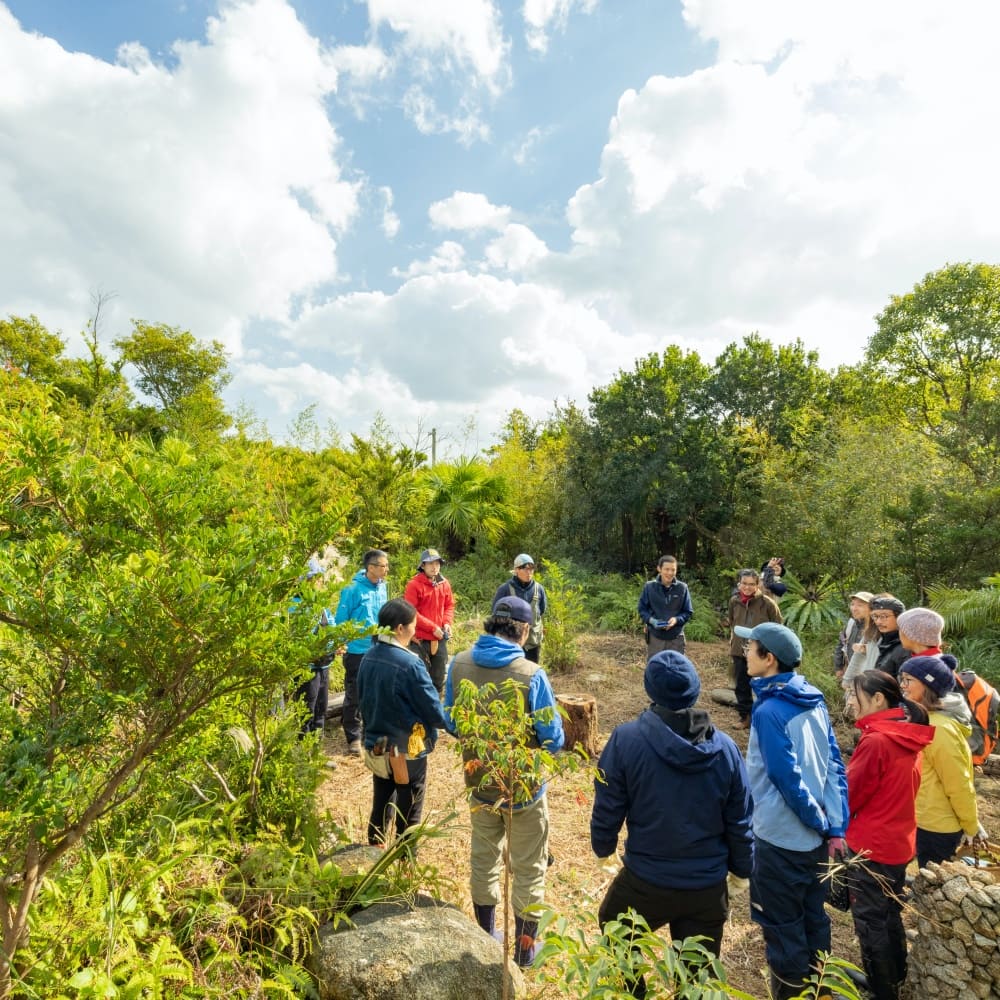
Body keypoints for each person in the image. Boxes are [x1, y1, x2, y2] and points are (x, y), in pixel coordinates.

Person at [591, 650, 754, 997]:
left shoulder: (626, 739)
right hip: (707, 887)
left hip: (647, 879)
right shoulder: (724, 748)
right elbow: (740, 817)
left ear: (651, 690)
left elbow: (608, 801)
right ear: (694, 689)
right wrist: (742, 869)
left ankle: (634, 993)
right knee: (696, 976)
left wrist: (603, 847)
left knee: (615, 929)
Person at [444, 596, 564, 966]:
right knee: (529, 867)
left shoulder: (458, 663)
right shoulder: (531, 674)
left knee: (484, 857)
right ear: (524, 630)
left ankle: (485, 935)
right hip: (523, 788)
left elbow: (450, 720)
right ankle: (525, 951)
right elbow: (552, 737)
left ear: (489, 624)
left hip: (479, 783)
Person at [735, 621, 848, 1000]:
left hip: (780, 841)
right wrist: (835, 826)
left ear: (769, 659)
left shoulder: (769, 712)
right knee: (815, 919)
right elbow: (834, 763)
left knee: (782, 930)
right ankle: (822, 989)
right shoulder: (813, 698)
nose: (745, 653)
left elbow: (788, 780)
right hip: (815, 841)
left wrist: (818, 822)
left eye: (751, 648)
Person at [844, 670, 933, 1000]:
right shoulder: (907, 732)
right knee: (889, 914)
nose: (851, 702)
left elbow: (851, 796)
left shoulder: (877, 740)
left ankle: (882, 992)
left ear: (878, 699)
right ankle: (894, 979)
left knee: (870, 923)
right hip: (898, 840)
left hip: (871, 847)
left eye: (855, 695)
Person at [357, 598, 453, 846]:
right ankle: (404, 865)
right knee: (409, 808)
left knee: (381, 800)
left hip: (377, 743)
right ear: (400, 628)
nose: (414, 630)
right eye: (412, 625)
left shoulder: (368, 656)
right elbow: (433, 709)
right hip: (407, 748)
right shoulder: (410, 662)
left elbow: (362, 700)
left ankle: (373, 855)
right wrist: (452, 724)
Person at [898, 655, 984, 867]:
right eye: (902, 679)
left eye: (909, 680)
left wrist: (971, 826)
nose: (902, 685)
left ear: (928, 685)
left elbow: (958, 784)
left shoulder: (939, 730)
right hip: (921, 818)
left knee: (928, 888)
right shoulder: (923, 720)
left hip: (936, 827)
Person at [334, 549, 389, 756]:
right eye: (383, 565)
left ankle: (371, 733)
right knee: (355, 693)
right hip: (357, 650)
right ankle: (353, 736)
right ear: (371, 567)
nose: (387, 569)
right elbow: (341, 619)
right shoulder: (352, 589)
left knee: (375, 693)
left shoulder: (383, 587)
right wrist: (340, 642)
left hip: (378, 648)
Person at [727, 569, 782, 730]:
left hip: (761, 652)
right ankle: (745, 717)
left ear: (758, 584)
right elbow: (732, 622)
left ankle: (766, 718)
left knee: (763, 686)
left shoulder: (768, 603)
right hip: (739, 650)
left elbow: (778, 626)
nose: (747, 587)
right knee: (741, 686)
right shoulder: (734, 601)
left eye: (751, 584)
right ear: (739, 584)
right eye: (744, 583)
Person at [291, 557, 335, 737]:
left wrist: (335, 645)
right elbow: (298, 637)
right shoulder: (294, 606)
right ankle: (303, 754)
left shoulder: (321, 604)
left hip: (324, 665)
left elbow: (331, 627)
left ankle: (316, 749)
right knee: (306, 710)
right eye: (315, 579)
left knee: (321, 708)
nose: (319, 582)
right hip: (307, 668)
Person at [403, 548, 455, 696]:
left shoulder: (444, 583)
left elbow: (449, 605)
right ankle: (417, 717)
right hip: (419, 640)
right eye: (430, 563)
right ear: (423, 566)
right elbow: (411, 612)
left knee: (438, 680)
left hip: (439, 639)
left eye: (437, 563)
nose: (434, 567)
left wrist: (446, 623)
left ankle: (434, 713)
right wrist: (432, 627)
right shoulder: (414, 585)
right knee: (419, 679)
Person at [492, 554, 548, 663]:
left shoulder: (539, 589)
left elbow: (541, 610)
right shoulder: (505, 589)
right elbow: (495, 614)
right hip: (511, 643)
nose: (529, 572)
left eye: (532, 569)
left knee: (531, 674)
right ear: (517, 570)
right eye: (526, 569)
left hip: (532, 644)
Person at [637, 555, 694, 657]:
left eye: (673, 570)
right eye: (667, 569)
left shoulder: (682, 588)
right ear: (659, 569)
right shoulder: (649, 587)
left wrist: (676, 620)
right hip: (655, 638)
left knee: (676, 670)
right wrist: (652, 621)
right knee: (656, 669)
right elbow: (642, 609)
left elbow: (688, 611)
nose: (670, 573)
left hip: (676, 638)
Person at [835, 591, 875, 686]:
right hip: (850, 674)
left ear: (871, 608)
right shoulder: (851, 624)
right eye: (852, 604)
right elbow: (841, 644)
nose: (854, 608)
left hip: (869, 679)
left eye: (860, 605)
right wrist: (838, 667)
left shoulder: (877, 628)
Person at [869, 595, 909, 679]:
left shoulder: (906, 646)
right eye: (875, 616)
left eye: (884, 616)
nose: (878, 622)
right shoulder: (883, 641)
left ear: (899, 617)